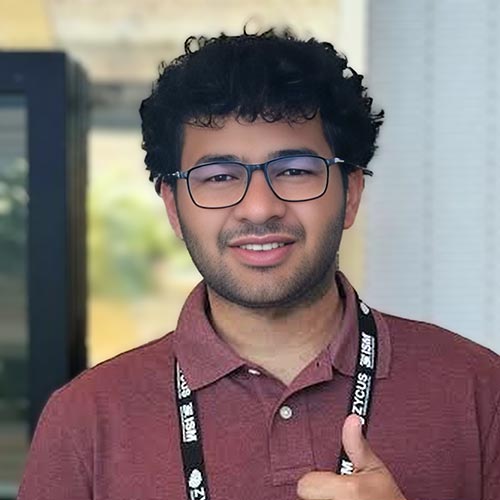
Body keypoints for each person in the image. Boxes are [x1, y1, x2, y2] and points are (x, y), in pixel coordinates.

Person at [18, 28, 500, 500]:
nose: (259, 207)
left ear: (350, 193)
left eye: (293, 170)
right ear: (173, 207)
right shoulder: (86, 420)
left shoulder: (480, 391)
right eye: (220, 176)